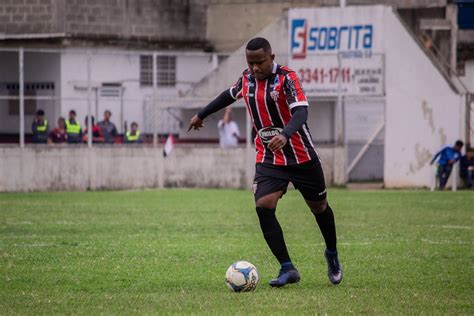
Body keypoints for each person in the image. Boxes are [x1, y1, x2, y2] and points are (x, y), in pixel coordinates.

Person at [187, 37, 342, 287]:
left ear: (271, 57)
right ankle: (287, 267)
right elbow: (227, 96)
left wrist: (285, 134)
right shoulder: (246, 79)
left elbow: (301, 111)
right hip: (269, 157)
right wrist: (201, 114)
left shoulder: (287, 78)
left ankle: (332, 255)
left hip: (301, 155)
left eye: (260, 62)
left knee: (319, 207)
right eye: (251, 63)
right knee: (263, 206)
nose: (255, 68)